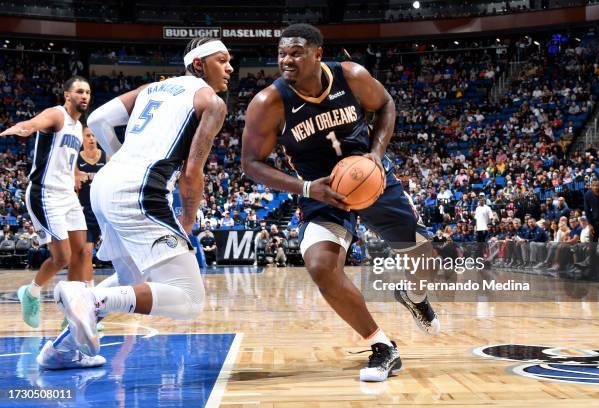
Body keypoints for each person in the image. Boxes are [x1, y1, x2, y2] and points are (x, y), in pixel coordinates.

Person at [241, 24, 439, 382]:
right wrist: (305, 188)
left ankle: (414, 295)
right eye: (283, 53)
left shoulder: (351, 76)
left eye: (297, 52)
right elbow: (250, 164)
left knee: (425, 257)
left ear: (318, 54)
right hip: (320, 192)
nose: (287, 60)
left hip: (370, 179)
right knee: (320, 266)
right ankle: (382, 346)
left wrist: (377, 154)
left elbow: (385, 104)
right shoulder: (269, 103)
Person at [37, 37, 232, 370]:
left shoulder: (150, 90)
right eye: (222, 60)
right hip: (141, 191)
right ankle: (88, 295)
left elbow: (97, 119)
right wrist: (187, 218)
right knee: (188, 300)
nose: (230, 67)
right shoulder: (211, 101)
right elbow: (192, 173)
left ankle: (60, 351)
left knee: (134, 283)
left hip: (108, 184)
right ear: (198, 64)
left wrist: (119, 157)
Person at [0, 76, 92, 328]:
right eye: (79, 91)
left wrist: (74, 173)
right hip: (45, 194)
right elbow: (35, 122)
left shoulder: (78, 125)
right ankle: (30, 293)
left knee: (82, 253)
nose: (84, 96)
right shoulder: (57, 115)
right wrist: (24, 127)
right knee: (61, 257)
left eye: (88, 92)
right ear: (67, 95)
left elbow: (70, 155)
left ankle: (71, 313)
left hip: (67, 195)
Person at [75, 127, 108, 284]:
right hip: (86, 210)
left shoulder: (106, 157)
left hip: (104, 209)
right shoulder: (76, 159)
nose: (92, 138)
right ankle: (89, 287)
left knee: (119, 251)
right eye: (88, 135)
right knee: (87, 252)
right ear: (82, 138)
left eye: (94, 135)